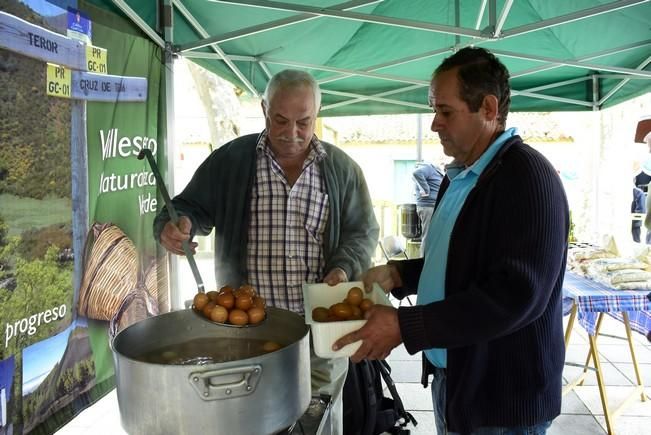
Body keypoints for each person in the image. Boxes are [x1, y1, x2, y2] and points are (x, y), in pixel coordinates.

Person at [333, 47, 569, 435]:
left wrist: (404, 326)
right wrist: (398, 274)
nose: (434, 125)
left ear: (489, 108)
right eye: (434, 111)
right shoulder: (460, 176)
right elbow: (461, 262)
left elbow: (515, 296)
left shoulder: (526, 177)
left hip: (501, 401)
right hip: (457, 380)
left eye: (445, 111)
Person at [153, 69, 379, 435]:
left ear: (317, 115)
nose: (292, 133)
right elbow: (185, 208)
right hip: (249, 335)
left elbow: (363, 232)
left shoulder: (341, 170)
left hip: (320, 337)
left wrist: (343, 267)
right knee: (252, 423)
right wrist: (175, 226)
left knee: (316, 422)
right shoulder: (230, 162)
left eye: (304, 122)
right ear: (263, 109)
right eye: (280, 120)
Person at [412, 161, 443, 252]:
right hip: (428, 206)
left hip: (433, 206)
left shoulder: (439, 171)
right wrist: (425, 190)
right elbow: (417, 173)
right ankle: (424, 262)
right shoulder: (430, 168)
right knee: (428, 236)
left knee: (433, 236)